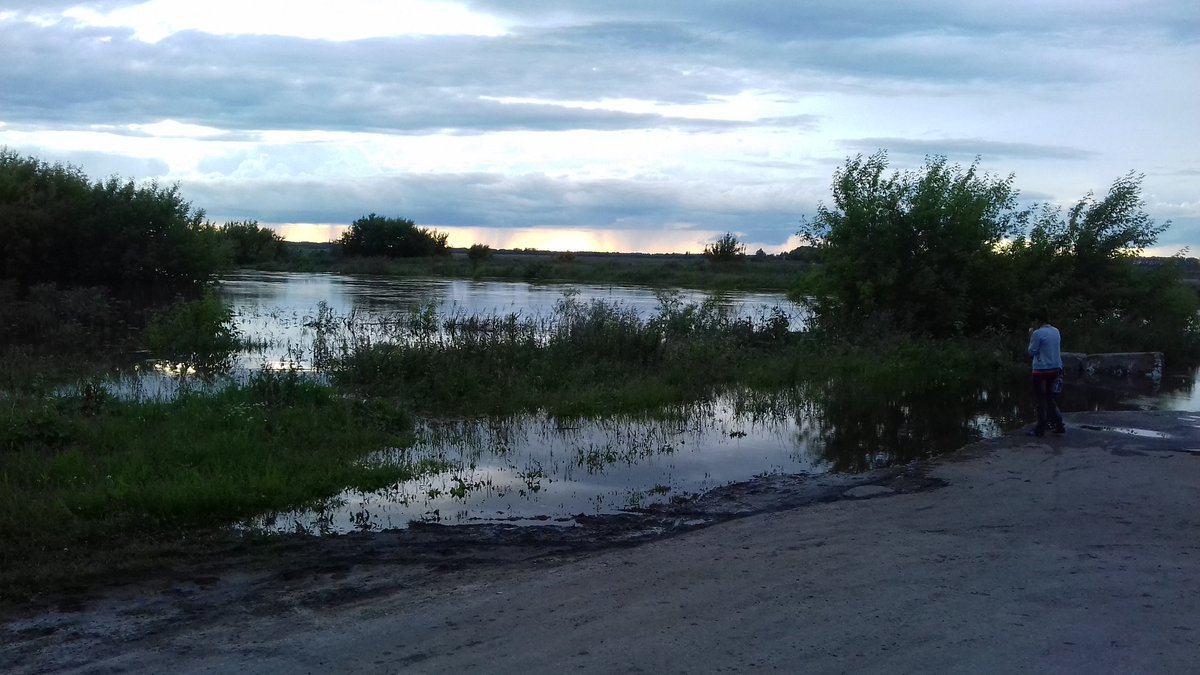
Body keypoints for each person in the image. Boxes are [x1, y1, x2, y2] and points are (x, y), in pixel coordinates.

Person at [1028, 310, 1066, 436]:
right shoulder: (1056, 331)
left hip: (1040, 369)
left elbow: (1031, 351)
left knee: (1040, 399)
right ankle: (1058, 424)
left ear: (1038, 321)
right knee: (1050, 398)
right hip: (1054, 368)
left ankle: (1040, 428)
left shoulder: (1038, 333)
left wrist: (1031, 335)